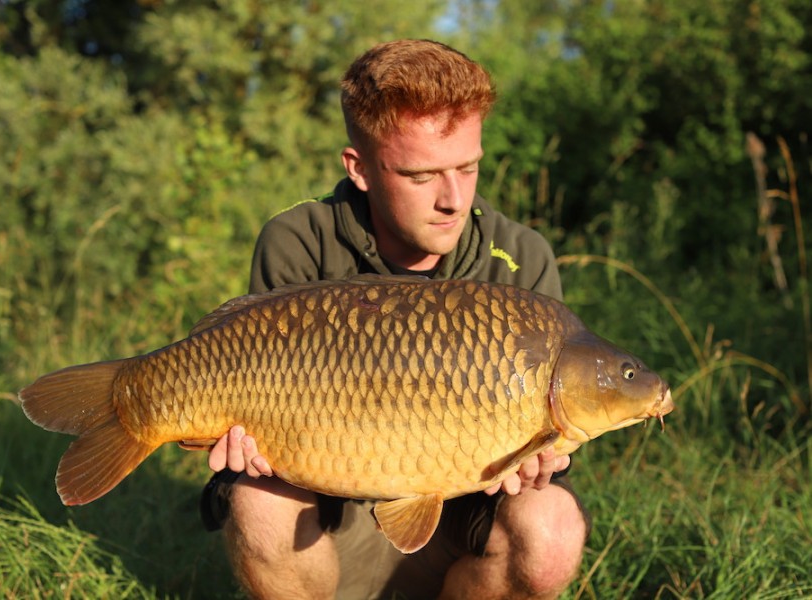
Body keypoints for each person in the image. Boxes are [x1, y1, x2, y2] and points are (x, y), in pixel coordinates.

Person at [201, 39, 588, 599]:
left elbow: (544, 453)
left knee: (551, 530)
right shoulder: (299, 241)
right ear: (359, 169)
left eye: (468, 167)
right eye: (420, 175)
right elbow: (260, 400)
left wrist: (541, 461)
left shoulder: (520, 257)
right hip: (329, 540)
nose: (453, 199)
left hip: (460, 542)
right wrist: (247, 444)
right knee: (256, 502)